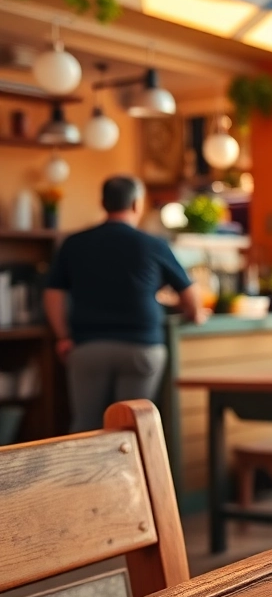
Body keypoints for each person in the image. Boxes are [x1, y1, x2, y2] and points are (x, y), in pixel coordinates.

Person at [45, 176, 209, 432]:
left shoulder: (74, 243)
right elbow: (189, 294)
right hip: (141, 347)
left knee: (86, 427)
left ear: (103, 203)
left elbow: (53, 294)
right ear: (136, 204)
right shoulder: (154, 244)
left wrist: (62, 336)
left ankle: (85, 473)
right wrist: (196, 314)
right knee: (131, 428)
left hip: (88, 348)